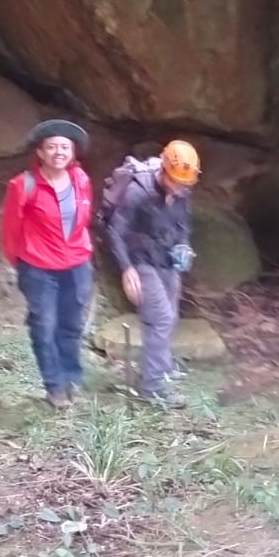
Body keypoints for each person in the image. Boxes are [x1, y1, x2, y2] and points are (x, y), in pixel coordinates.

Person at [0, 120, 95, 409]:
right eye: (51, 147)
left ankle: (71, 378)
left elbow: (84, 218)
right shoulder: (24, 185)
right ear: (40, 153)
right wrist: (22, 262)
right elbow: (10, 230)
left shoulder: (81, 180)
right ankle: (54, 385)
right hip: (39, 268)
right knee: (44, 326)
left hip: (77, 265)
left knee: (72, 325)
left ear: (73, 151)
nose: (58, 152)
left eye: (64, 147)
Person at [103, 141, 201, 409]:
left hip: (167, 257)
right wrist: (127, 269)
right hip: (141, 260)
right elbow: (115, 231)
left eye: (186, 183)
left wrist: (184, 245)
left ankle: (160, 366)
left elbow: (183, 223)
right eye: (176, 182)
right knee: (161, 318)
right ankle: (153, 388)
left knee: (168, 316)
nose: (182, 188)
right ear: (164, 171)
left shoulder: (183, 188)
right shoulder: (138, 192)